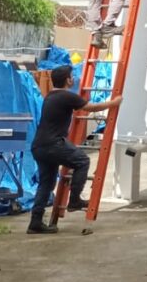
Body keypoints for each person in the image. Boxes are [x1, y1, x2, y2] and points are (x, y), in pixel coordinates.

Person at [28, 65, 122, 234]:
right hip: (53, 144)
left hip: (39, 146)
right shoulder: (66, 96)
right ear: (68, 80)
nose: (73, 79)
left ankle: (35, 222)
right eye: (72, 76)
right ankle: (74, 200)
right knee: (82, 161)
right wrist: (114, 103)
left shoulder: (50, 96)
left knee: (46, 184)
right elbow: (91, 108)